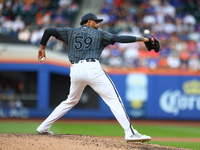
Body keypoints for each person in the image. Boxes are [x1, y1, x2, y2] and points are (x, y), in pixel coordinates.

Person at [36, 13, 151, 142]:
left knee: (71, 100)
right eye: (96, 22)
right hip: (92, 68)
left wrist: (42, 48)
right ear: (89, 21)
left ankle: (43, 127)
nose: (98, 24)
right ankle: (130, 133)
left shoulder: (70, 32)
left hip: (75, 70)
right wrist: (144, 39)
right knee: (114, 101)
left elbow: (48, 31)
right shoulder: (100, 34)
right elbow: (120, 38)